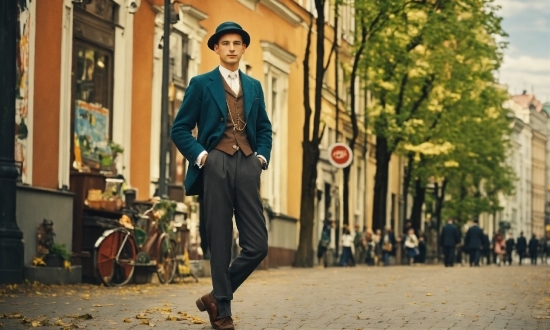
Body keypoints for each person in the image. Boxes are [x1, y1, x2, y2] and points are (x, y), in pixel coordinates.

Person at [171, 21, 272, 330]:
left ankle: (216, 295)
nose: (231, 48)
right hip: (215, 164)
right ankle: (223, 312)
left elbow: (265, 128)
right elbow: (180, 129)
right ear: (216, 47)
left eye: (236, 43)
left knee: (257, 245)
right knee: (220, 238)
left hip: (246, 165)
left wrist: (261, 158)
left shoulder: (254, 86)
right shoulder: (201, 84)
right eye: (225, 43)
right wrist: (202, 156)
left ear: (243, 48)